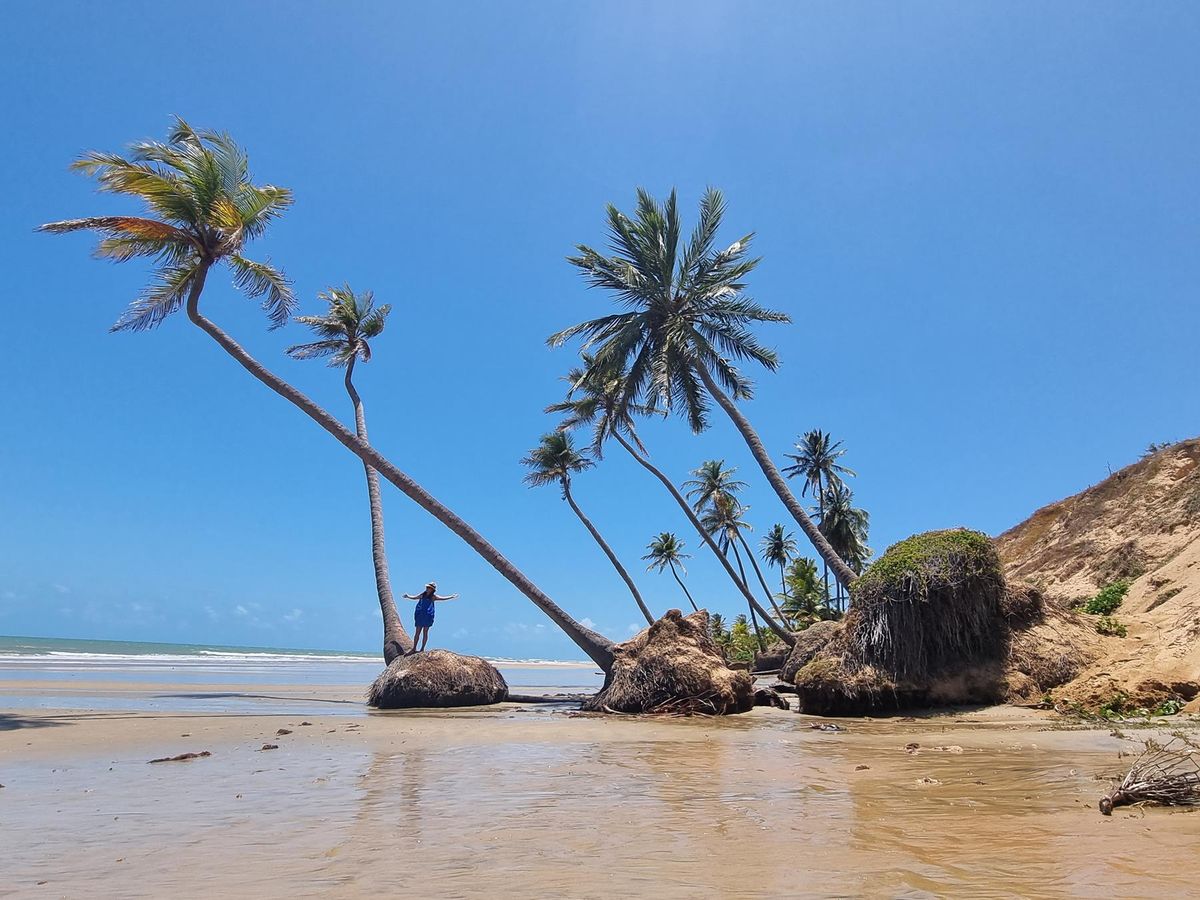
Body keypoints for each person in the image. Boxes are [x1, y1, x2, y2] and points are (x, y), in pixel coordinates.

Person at [401, 582, 459, 654]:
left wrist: (451, 597)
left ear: (432, 590)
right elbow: (415, 597)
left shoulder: (433, 597)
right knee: (417, 632)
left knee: (425, 632)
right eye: (427, 587)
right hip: (420, 615)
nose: (427, 589)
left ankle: (422, 648)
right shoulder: (423, 595)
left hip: (428, 615)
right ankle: (414, 648)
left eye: (429, 588)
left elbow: (443, 598)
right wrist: (408, 596)